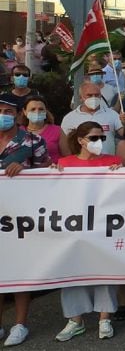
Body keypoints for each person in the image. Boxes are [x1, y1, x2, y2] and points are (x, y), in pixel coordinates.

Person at [50, 121, 121, 341]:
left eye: (102, 137)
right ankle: (75, 320)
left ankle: (104, 318)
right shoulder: (64, 164)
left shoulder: (114, 162)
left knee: (105, 272)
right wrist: (50, 176)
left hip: (103, 227)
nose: (99, 142)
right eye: (93, 138)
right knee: (72, 272)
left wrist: (123, 174)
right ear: (80, 140)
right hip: (74, 228)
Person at [0, 92, 50, 346]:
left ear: (18, 115)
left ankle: (20, 324)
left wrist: (26, 171)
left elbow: (48, 173)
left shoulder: (32, 141)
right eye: (0, 111)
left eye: (8, 112)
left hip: (20, 218)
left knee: (19, 271)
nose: (4, 116)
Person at [61, 82, 124, 157]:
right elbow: (64, 145)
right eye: (89, 95)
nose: (94, 98)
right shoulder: (69, 118)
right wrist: (71, 163)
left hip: (107, 164)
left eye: (97, 95)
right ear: (81, 97)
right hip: (81, 166)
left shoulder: (112, 114)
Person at [20, 95, 62, 162]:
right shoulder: (16, 132)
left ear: (46, 111)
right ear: (25, 111)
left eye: (41, 109)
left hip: (52, 171)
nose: (37, 112)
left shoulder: (58, 131)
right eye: (33, 109)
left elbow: (67, 157)